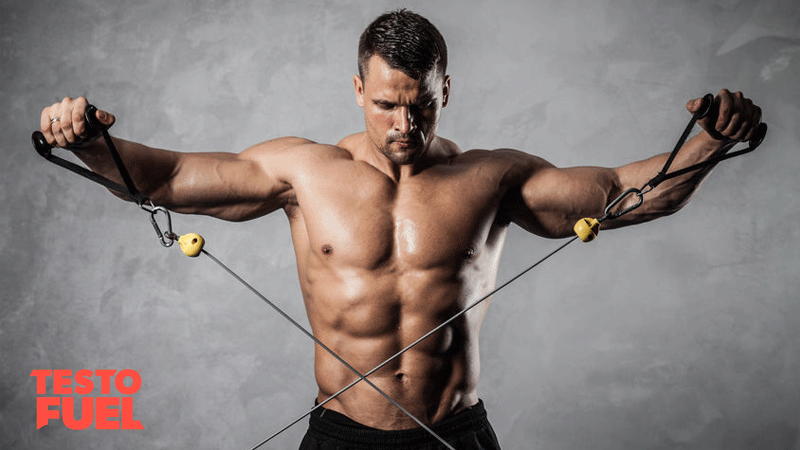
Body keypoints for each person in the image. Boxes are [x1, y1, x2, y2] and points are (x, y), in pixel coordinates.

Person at [39, 9, 762, 450]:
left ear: (446, 89)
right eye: (386, 104)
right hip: (342, 437)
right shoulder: (303, 170)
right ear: (358, 89)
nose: (404, 125)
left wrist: (707, 141)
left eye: (421, 106)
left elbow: (622, 194)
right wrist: (85, 139)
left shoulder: (494, 177)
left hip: (456, 432)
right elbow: (163, 180)